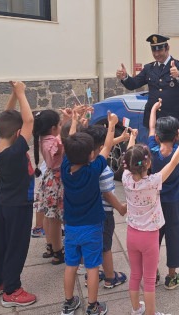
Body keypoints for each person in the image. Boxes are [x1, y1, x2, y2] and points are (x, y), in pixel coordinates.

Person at [116, 34, 179, 210]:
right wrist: (125, 76)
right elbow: (134, 83)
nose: (157, 53)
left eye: (160, 49)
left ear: (167, 49)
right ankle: (153, 187)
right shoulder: (149, 68)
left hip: (173, 122)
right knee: (150, 155)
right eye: (154, 49)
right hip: (153, 120)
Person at [121, 126, 179, 315]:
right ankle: (151, 313)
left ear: (128, 165)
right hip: (149, 236)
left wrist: (132, 138)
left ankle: (136, 309)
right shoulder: (153, 182)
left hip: (131, 234)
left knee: (135, 275)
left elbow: (129, 156)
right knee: (149, 280)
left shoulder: (126, 179)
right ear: (148, 163)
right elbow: (173, 163)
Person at [59, 111, 118, 315]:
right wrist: (111, 126)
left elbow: (69, 142)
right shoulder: (94, 170)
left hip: (71, 226)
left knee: (71, 265)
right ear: (91, 154)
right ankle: (93, 306)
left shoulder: (65, 167)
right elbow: (108, 146)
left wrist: (73, 121)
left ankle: (68, 303)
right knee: (92, 267)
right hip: (92, 226)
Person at [0, 81, 36, 307]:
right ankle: (11, 290)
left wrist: (14, 95)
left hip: (3, 205)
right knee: (16, 246)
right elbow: (29, 121)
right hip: (18, 207)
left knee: (1, 245)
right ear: (17, 134)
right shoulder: (15, 153)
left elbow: (5, 118)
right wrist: (22, 93)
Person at [148, 97, 179, 289]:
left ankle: (153, 272)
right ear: (177, 136)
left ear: (158, 138)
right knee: (174, 236)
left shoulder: (152, 150)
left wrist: (154, 109)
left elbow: (152, 127)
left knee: (154, 237)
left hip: (155, 203)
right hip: (174, 202)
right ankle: (172, 276)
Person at [82, 125, 129, 289]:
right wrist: (121, 208)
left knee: (92, 245)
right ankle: (110, 277)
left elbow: (104, 145)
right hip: (104, 215)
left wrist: (120, 138)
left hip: (87, 213)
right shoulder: (104, 170)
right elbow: (108, 195)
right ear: (101, 148)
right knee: (105, 246)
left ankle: (91, 275)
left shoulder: (81, 165)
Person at [32, 109, 65, 265]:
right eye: (59, 124)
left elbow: (58, 136)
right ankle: (59, 253)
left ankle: (50, 246)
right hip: (57, 182)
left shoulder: (43, 138)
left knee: (49, 215)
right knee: (56, 220)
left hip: (49, 180)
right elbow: (58, 148)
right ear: (53, 128)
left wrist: (65, 120)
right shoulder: (53, 142)